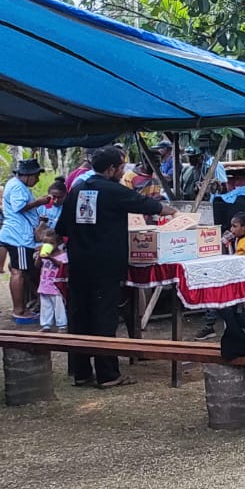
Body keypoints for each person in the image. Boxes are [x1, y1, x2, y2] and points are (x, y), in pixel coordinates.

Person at [57, 148, 178, 388]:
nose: (123, 171)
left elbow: (62, 228)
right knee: (104, 318)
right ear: (111, 169)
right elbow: (144, 203)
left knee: (80, 316)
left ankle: (81, 372)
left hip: (78, 264)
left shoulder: (77, 191)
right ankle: (108, 374)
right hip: (105, 265)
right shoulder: (112, 190)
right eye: (121, 167)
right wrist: (172, 211)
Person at [0, 159, 45, 322]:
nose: (37, 180)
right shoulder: (16, 187)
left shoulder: (16, 185)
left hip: (17, 234)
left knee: (23, 271)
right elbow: (19, 206)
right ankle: (19, 310)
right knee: (19, 272)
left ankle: (23, 307)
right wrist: (40, 202)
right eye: (36, 176)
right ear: (28, 175)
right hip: (19, 236)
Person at [34, 228, 68, 333]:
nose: (47, 245)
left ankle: (62, 325)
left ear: (58, 243)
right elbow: (37, 266)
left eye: (51, 243)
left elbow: (61, 265)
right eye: (45, 242)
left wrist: (50, 258)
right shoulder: (44, 255)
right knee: (45, 306)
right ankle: (46, 325)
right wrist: (39, 257)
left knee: (59, 306)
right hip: (45, 284)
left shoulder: (63, 254)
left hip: (56, 285)